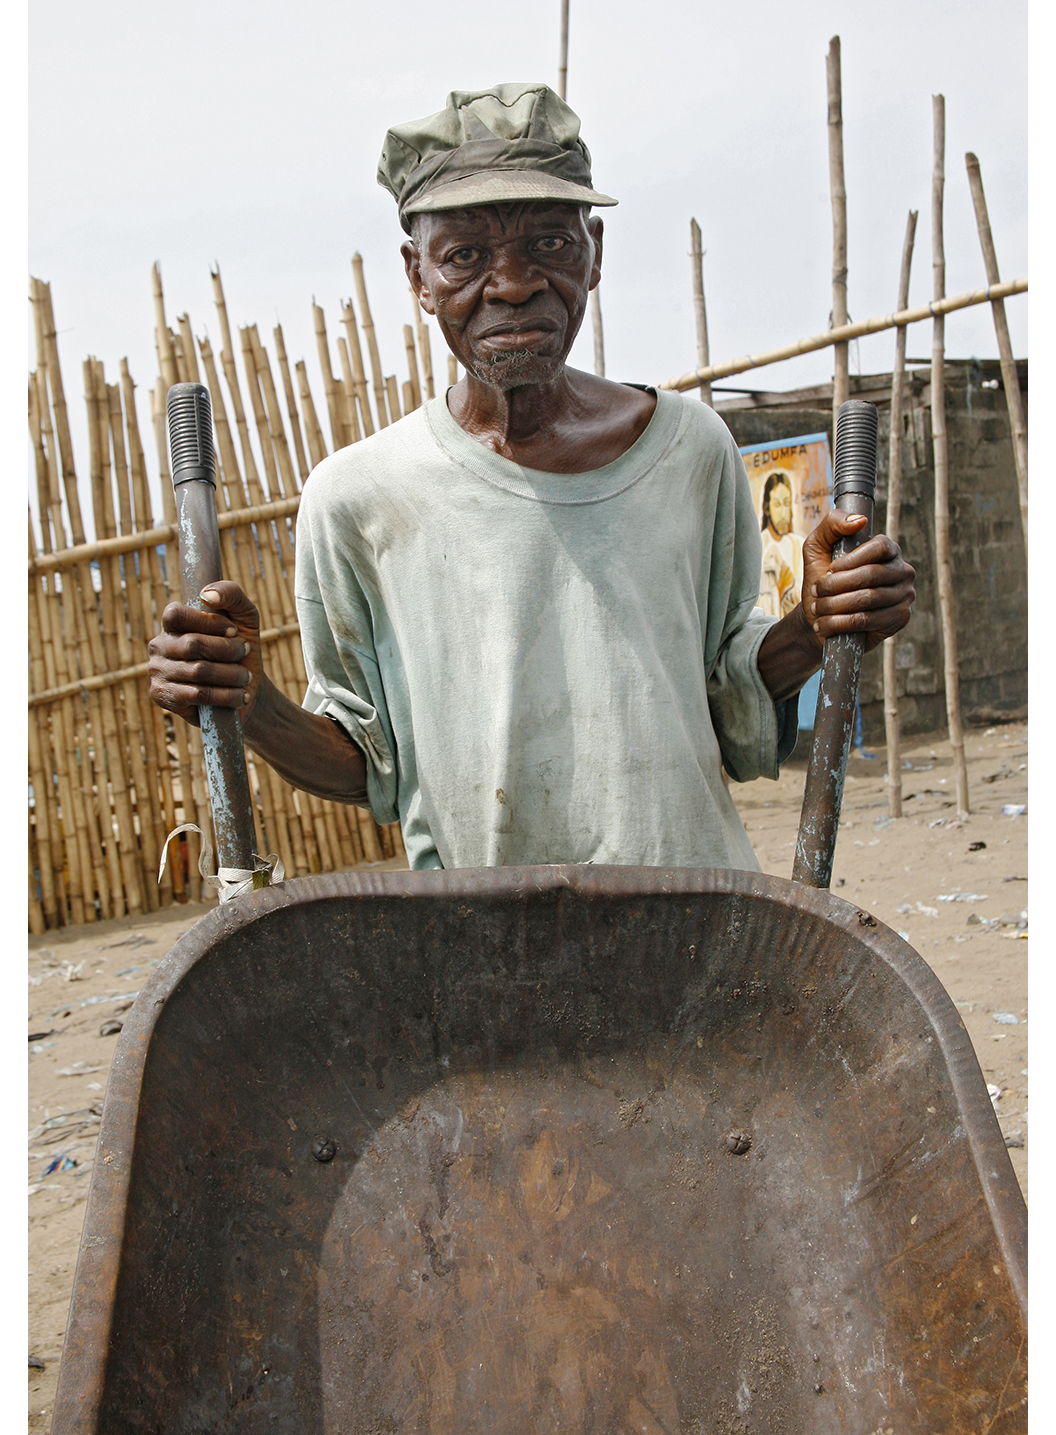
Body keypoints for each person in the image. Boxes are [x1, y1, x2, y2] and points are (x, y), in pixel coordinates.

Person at [148, 82, 914, 873]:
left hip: (696, 924)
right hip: (488, 950)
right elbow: (369, 770)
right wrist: (249, 700)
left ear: (595, 255)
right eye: (466, 257)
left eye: (549, 243)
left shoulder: (689, 449)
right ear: (418, 276)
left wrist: (818, 624)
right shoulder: (359, 496)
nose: (513, 283)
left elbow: (728, 706)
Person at [758, 470, 804, 619]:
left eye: (786, 503)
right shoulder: (758, 547)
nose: (783, 513)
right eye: (777, 505)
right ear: (767, 508)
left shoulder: (800, 545)